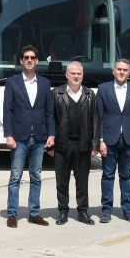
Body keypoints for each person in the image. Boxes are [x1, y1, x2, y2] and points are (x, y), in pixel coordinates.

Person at [3, 45, 56, 228]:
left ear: (37, 61)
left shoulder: (45, 83)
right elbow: (7, 110)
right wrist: (8, 134)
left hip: (39, 137)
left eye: (32, 57)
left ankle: (34, 213)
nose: (29, 60)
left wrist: (51, 134)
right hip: (19, 137)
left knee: (36, 176)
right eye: (26, 57)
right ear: (21, 61)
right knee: (15, 176)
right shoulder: (12, 82)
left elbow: (49, 111)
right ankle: (12, 214)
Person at [96, 58, 130, 223]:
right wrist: (100, 140)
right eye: (119, 69)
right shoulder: (103, 89)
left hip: (129, 141)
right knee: (108, 175)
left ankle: (128, 211)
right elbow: (99, 117)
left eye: (125, 70)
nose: (122, 72)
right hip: (109, 140)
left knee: (126, 176)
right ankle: (106, 211)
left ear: (129, 73)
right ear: (113, 71)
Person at [49, 60, 99, 225]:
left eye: (79, 73)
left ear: (83, 75)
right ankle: (63, 211)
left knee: (82, 180)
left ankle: (83, 211)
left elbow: (95, 121)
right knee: (62, 181)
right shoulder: (56, 93)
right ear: (66, 75)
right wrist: (50, 144)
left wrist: (94, 145)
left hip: (83, 144)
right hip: (62, 144)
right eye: (73, 73)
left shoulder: (90, 94)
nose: (76, 76)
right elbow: (50, 120)